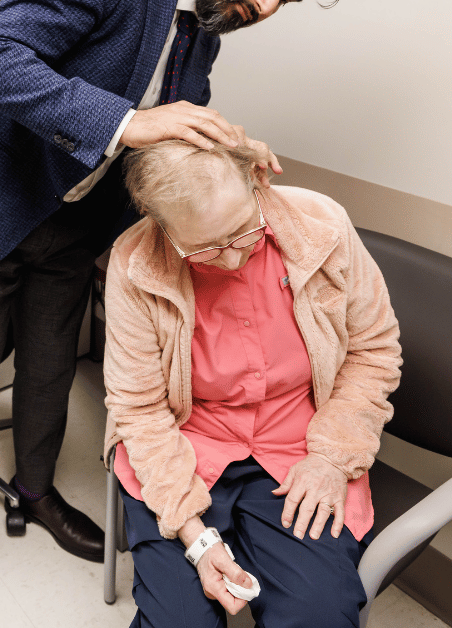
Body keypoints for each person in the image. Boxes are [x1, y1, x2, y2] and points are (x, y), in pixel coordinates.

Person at [0, 0, 345, 618]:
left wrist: (226, 156)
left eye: (285, 0)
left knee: (50, 370)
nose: (266, 6)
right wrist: (132, 123)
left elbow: (163, 136)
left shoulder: (205, 29)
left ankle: (35, 494)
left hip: (71, 226)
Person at [103, 140, 402, 628]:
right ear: (164, 229)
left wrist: (331, 457)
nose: (231, 261)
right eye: (204, 248)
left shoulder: (321, 227)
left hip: (299, 445)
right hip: (185, 446)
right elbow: (139, 409)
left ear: (257, 180)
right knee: (180, 620)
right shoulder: (136, 264)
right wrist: (196, 540)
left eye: (244, 232)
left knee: (318, 613)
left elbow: (374, 350)